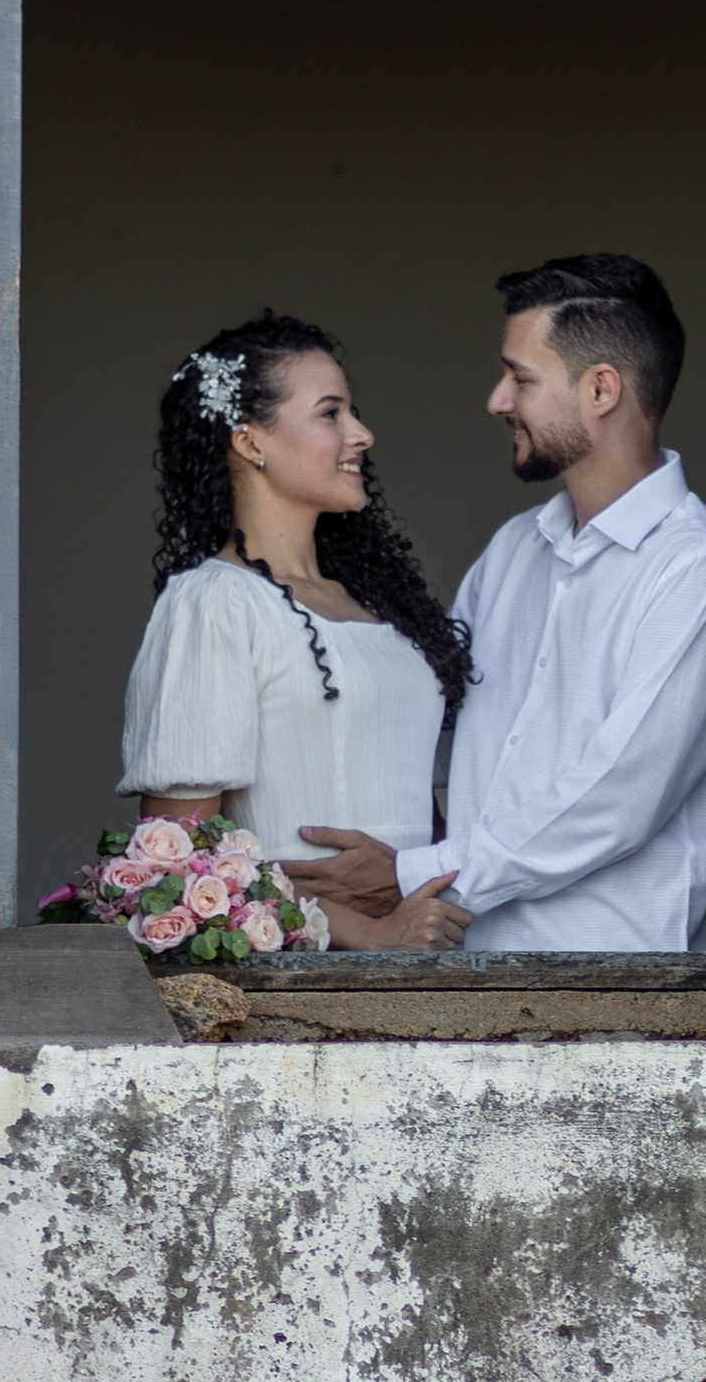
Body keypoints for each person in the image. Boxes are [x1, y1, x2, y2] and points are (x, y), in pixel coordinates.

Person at [290, 254, 706, 954]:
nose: (498, 399)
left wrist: (404, 874)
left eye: (521, 377)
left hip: (619, 994)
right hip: (454, 969)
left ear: (601, 389)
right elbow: (440, 733)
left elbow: (615, 799)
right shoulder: (514, 550)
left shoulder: (698, 569)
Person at [118, 312, 473, 951]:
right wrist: (371, 932)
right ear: (250, 441)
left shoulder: (384, 608)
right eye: (330, 413)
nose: (361, 434)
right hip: (313, 975)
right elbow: (176, 861)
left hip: (434, 950)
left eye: (352, 412)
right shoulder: (215, 602)